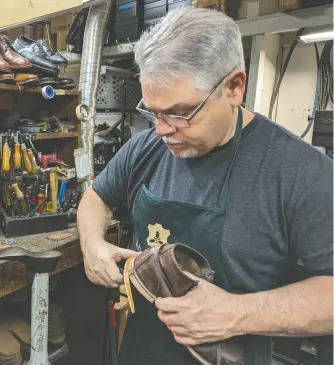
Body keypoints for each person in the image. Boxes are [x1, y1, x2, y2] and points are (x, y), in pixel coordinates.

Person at [77, 7, 333, 365]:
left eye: (180, 113)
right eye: (153, 112)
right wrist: (92, 244)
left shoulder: (301, 173)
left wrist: (237, 313)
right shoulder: (145, 148)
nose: (163, 129)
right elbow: (96, 198)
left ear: (234, 87)